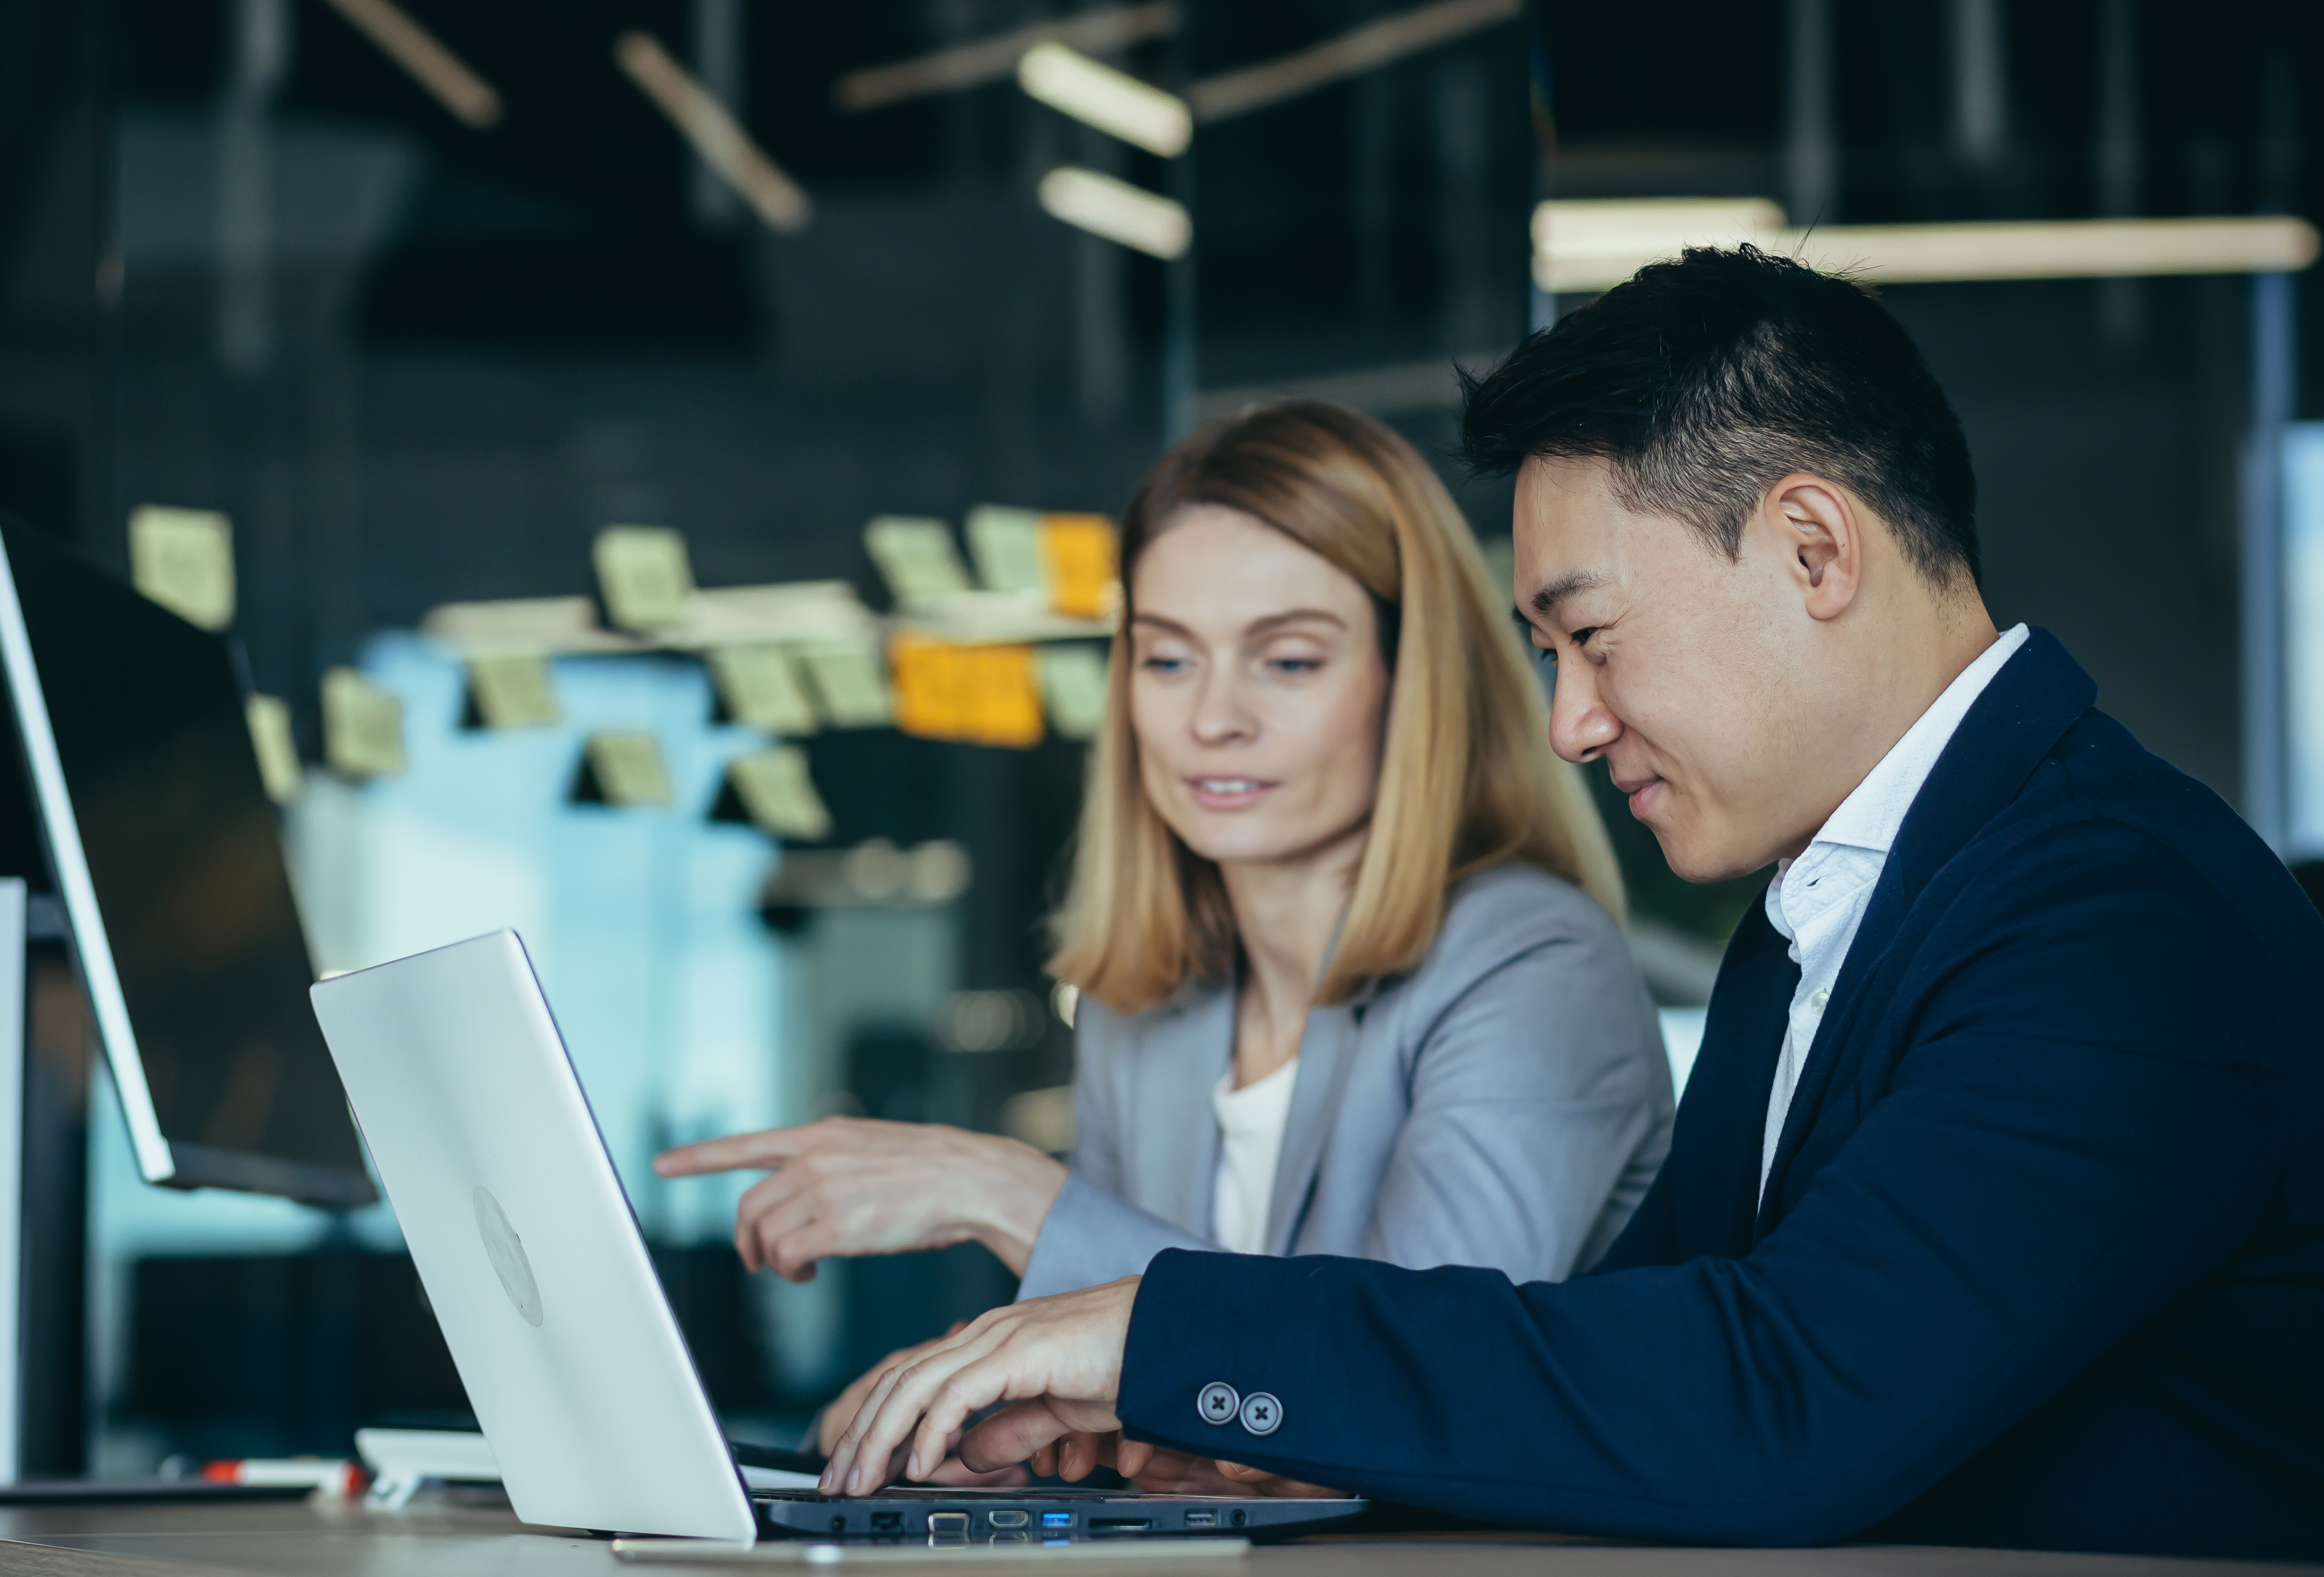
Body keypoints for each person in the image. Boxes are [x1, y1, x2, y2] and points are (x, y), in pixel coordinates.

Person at [813, 248, 2324, 1560]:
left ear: (1812, 548)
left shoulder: (2122, 914)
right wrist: (1216, 1434)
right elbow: (1618, 1369)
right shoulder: (1828, 911)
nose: (1572, 724)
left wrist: (1161, 1332)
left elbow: (1782, 1399)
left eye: (1591, 636)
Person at [658, 401, 1676, 1471]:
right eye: (1167, 661)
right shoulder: (1143, 1007)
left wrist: (1007, 1196)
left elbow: (1407, 1392)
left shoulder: (1532, 970)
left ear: (1409, 683)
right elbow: (1138, 1404)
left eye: (1285, 662)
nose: (1211, 719)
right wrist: (971, 1409)